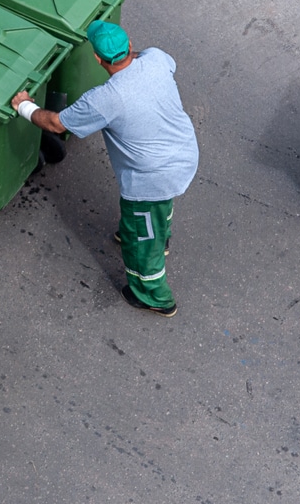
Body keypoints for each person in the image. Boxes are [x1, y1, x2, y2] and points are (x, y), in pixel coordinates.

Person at [11, 21, 198, 317]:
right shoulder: (157, 59)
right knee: (158, 208)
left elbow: (55, 124)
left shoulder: (105, 99)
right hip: (183, 153)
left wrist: (24, 106)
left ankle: (153, 295)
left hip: (152, 177)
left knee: (143, 240)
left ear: (97, 59)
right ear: (130, 44)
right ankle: (157, 237)